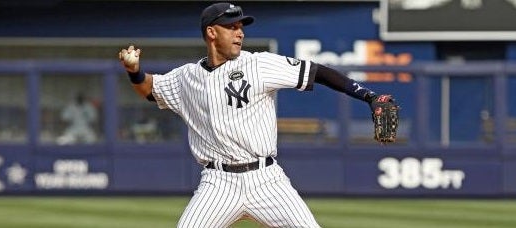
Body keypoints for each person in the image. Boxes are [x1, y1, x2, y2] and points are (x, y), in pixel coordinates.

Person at [118, 2, 395, 227]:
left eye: (241, 27)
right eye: (232, 27)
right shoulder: (186, 77)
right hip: (218, 182)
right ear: (212, 32)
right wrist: (134, 71)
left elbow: (317, 72)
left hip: (266, 179)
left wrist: (369, 96)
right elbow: (151, 90)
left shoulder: (258, 64)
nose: (240, 33)